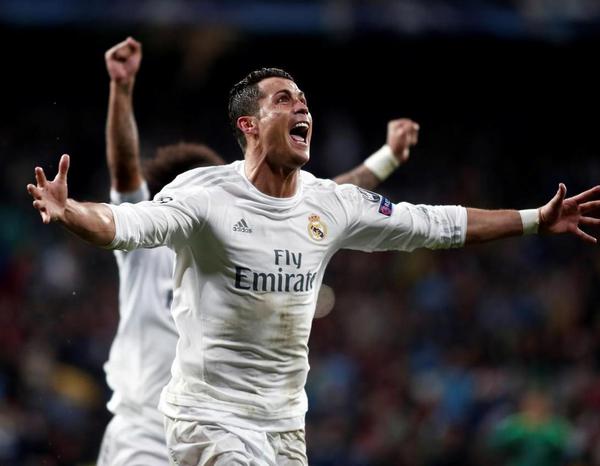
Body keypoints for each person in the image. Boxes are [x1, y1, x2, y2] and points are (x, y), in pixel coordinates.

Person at [28, 67, 600, 465]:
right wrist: (70, 209)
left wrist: (534, 218)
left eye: (303, 99)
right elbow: (125, 223)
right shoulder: (204, 197)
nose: (301, 105)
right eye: (283, 99)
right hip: (207, 419)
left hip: (284, 425)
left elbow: (434, 223)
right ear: (248, 126)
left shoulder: (328, 204)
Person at [98, 38, 420, 465]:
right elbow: (124, 173)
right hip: (146, 436)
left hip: (221, 425)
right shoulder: (147, 247)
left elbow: (331, 202)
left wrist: (387, 158)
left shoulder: (236, 234)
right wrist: (121, 89)